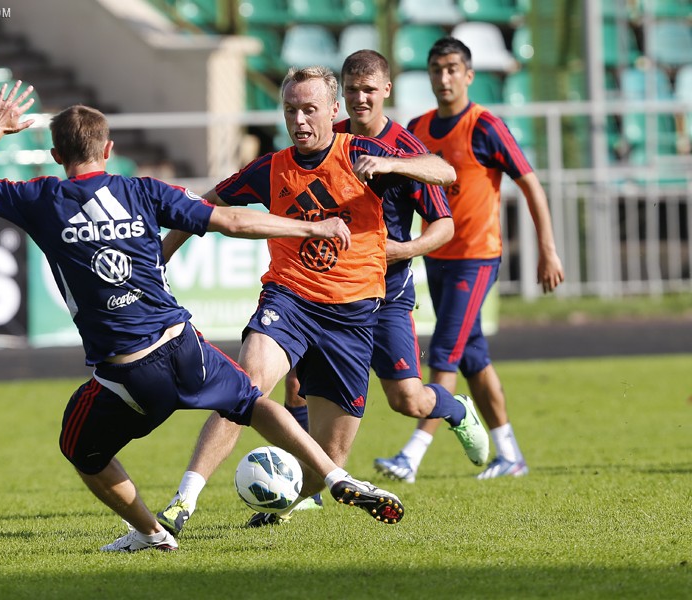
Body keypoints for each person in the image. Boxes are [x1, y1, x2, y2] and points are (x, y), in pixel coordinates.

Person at [0, 81, 409, 554]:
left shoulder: (42, 199)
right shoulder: (145, 191)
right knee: (251, 401)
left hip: (129, 372)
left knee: (79, 448)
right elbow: (232, 220)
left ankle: (151, 533)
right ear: (109, 149)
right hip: (184, 346)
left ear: (54, 154)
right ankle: (334, 476)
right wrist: (312, 225)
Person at [155, 64, 489, 535]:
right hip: (288, 300)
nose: (300, 120)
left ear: (334, 111)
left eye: (310, 109)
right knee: (243, 383)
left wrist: (392, 165)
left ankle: (285, 497)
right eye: (291, 110)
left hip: (355, 316)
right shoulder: (271, 167)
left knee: (338, 452)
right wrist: (160, 256)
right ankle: (182, 502)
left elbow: (445, 170)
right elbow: (203, 207)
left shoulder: (367, 154)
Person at [282, 49, 489, 508]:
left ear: (386, 91)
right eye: (352, 90)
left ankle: (455, 409)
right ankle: (301, 488)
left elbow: (444, 224)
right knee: (295, 378)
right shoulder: (328, 138)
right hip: (328, 295)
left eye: (369, 90)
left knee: (406, 399)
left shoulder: (405, 149)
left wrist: (402, 247)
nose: (360, 98)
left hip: (386, 294)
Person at [374, 37, 565, 482]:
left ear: (469, 75)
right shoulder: (417, 128)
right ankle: (510, 454)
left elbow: (530, 184)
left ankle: (411, 456)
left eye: (453, 69)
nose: (444, 77)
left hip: (477, 257)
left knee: (444, 351)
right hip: (435, 256)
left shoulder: (485, 125)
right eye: (437, 69)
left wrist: (548, 249)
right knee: (473, 356)